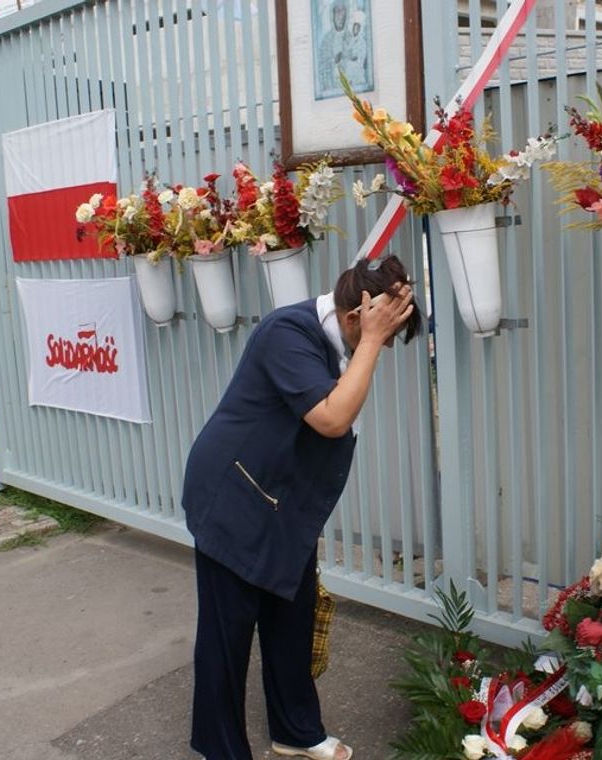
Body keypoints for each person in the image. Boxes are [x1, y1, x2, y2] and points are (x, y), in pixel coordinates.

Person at [181, 255, 422, 760]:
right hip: (235, 497)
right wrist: (372, 342)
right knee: (227, 636)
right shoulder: (286, 332)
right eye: (377, 331)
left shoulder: (339, 336)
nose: (380, 346)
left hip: (282, 503)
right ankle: (218, 748)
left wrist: (373, 338)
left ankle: (295, 733)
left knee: (291, 621)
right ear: (354, 316)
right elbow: (332, 419)